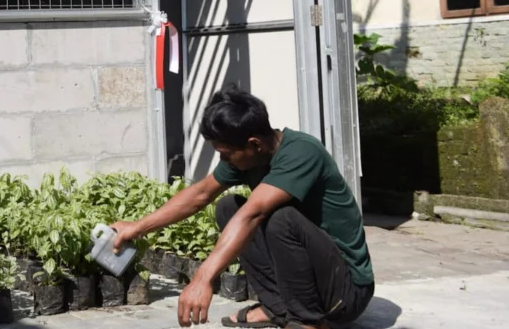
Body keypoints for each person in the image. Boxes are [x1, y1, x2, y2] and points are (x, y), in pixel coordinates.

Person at [110, 85, 374, 329]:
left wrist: (203, 278)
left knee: (279, 218)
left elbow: (253, 213)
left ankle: (308, 321)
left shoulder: (302, 153)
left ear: (254, 144)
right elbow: (201, 194)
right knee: (228, 207)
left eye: (225, 153)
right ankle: (278, 309)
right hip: (316, 277)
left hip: (346, 291)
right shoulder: (250, 156)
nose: (223, 159)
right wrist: (138, 227)